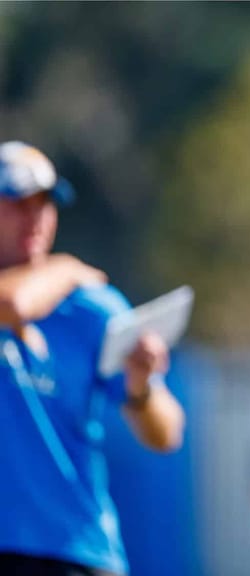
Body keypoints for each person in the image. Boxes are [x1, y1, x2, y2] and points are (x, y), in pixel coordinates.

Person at [0, 141, 186, 576]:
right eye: (17, 203)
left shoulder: (91, 306)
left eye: (45, 203)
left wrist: (140, 388)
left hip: (75, 549)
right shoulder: (69, 277)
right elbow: (13, 305)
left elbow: (166, 434)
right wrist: (62, 268)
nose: (35, 218)